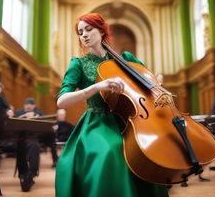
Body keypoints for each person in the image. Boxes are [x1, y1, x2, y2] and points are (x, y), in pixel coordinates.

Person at [55, 13, 168, 196]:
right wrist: (96, 86)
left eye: (89, 29)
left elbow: (149, 82)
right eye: (80, 32)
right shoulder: (79, 64)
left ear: (101, 30)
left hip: (130, 120)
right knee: (112, 149)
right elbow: (62, 101)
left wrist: (156, 83)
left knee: (145, 150)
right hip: (97, 123)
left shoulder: (125, 58)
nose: (84, 35)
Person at [14, 97, 44, 191]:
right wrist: (22, 117)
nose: (28, 106)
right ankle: (23, 175)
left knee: (34, 147)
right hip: (20, 139)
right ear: (24, 105)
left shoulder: (39, 112)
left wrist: (36, 116)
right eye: (26, 104)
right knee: (20, 147)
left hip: (33, 139)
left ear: (34, 106)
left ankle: (30, 175)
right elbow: (12, 122)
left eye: (30, 104)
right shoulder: (19, 112)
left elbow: (45, 123)